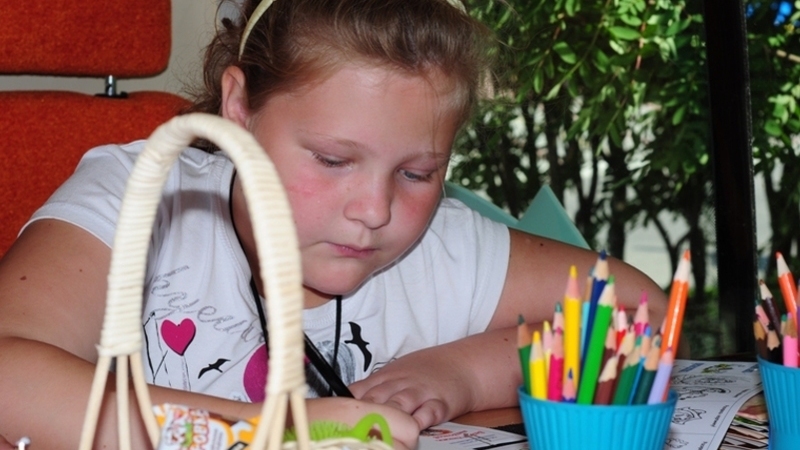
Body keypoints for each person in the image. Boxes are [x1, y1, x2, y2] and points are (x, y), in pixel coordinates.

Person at [0, 0, 670, 448]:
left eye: (418, 173)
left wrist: (461, 372)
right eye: (331, 159)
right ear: (239, 107)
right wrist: (274, 431)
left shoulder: (440, 248)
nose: (375, 211)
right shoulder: (140, 198)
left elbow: (642, 313)